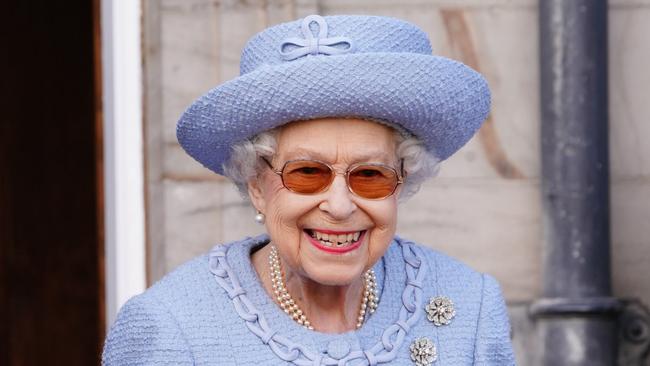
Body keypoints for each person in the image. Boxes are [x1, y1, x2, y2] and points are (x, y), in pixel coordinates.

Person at [102, 14, 515, 365]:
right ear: (257, 185)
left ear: (402, 181)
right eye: (306, 173)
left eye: (370, 175)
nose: (338, 206)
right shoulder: (170, 329)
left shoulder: (471, 307)